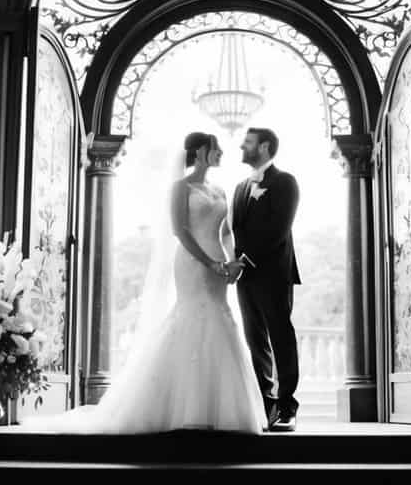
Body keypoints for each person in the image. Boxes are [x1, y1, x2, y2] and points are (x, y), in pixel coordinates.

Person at [20, 131, 266, 433]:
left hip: (219, 263)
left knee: (219, 318)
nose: (221, 153)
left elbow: (226, 231)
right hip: (193, 261)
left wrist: (232, 263)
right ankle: (185, 408)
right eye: (216, 148)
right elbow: (180, 231)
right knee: (194, 317)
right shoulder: (181, 187)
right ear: (201, 152)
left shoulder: (219, 189)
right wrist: (211, 263)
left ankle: (218, 408)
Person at [227, 127, 302, 432]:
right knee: (255, 340)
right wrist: (232, 262)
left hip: (273, 274)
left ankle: (287, 406)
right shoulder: (240, 187)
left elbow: (277, 230)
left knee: (280, 337)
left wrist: (243, 261)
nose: (242, 147)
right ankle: (265, 405)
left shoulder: (285, 182)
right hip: (246, 277)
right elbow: (236, 231)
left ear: (265, 146)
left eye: (248, 143)